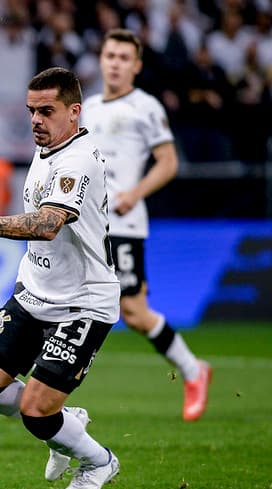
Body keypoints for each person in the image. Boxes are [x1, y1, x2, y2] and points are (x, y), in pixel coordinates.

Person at [0, 67, 121, 489]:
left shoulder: (78, 160)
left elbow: (48, 224)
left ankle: (98, 462)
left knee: (36, 412)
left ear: (74, 112)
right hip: (34, 292)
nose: (36, 120)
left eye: (46, 111)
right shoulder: (49, 145)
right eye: (31, 111)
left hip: (82, 302)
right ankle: (66, 422)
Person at [82, 28, 212, 421]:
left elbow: (169, 162)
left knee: (135, 313)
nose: (116, 63)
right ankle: (43, 399)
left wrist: (134, 193)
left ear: (136, 66)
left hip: (123, 223)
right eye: (110, 56)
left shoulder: (147, 107)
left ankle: (193, 370)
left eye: (124, 58)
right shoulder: (87, 107)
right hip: (86, 223)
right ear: (101, 60)